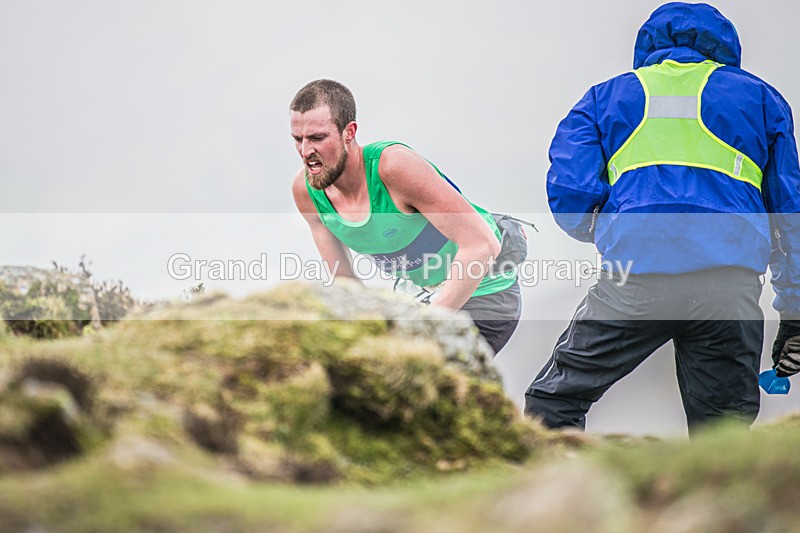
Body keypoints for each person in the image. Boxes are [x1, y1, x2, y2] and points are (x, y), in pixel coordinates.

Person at [524, 2, 800, 434]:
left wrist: (610, 231)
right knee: (723, 430)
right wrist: (795, 309)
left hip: (635, 277)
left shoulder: (604, 97)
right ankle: (713, 502)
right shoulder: (760, 98)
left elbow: (571, 194)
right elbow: (789, 213)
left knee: (552, 403)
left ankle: (560, 497)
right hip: (728, 286)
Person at [289, 79, 522, 354]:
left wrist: (426, 326)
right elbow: (346, 286)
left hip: (485, 288)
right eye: (297, 139)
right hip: (423, 295)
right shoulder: (306, 191)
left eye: (317, 138)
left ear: (349, 132)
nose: (306, 152)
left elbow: (482, 246)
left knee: (420, 376)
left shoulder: (394, 167)